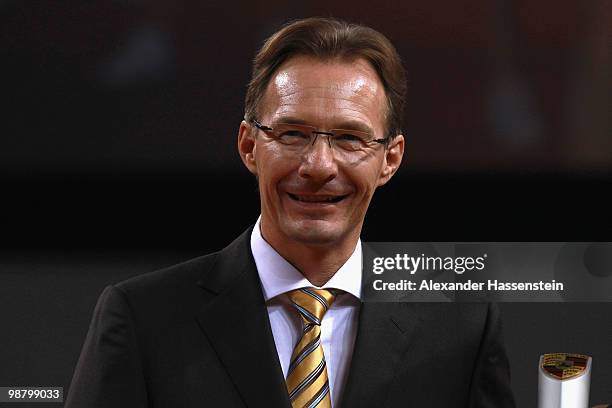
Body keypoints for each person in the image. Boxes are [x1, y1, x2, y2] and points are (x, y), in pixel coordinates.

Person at [65, 17, 516, 408]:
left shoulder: (461, 329)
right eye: (293, 134)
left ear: (390, 160)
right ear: (249, 146)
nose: (318, 166)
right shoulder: (144, 319)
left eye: (349, 138)